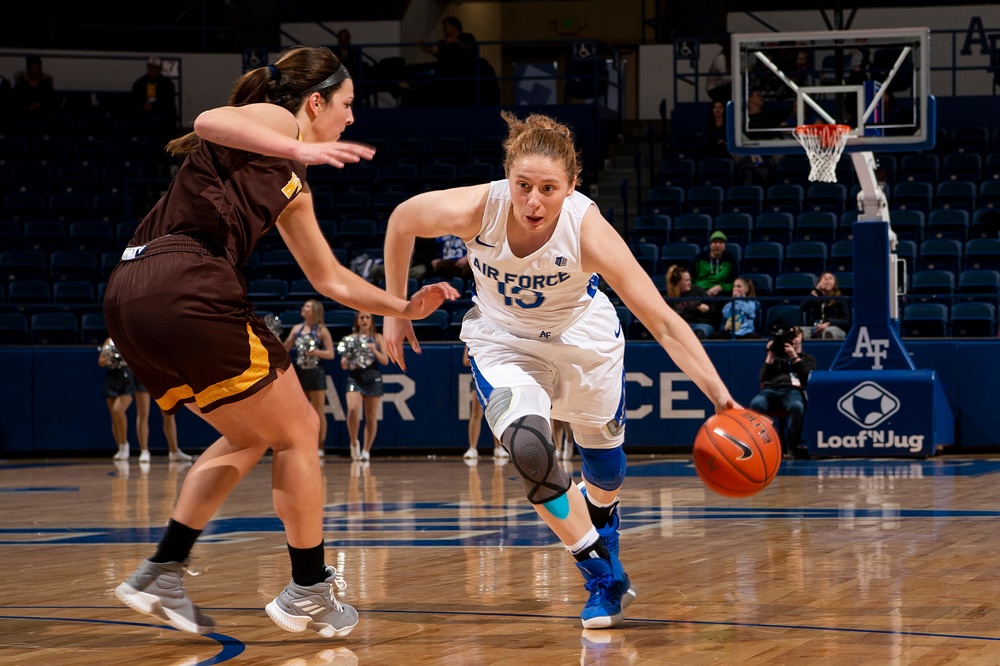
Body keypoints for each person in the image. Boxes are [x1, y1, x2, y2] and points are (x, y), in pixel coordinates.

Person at [103, 45, 458, 638]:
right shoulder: (277, 121)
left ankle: (162, 571)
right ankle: (309, 590)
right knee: (300, 430)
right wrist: (299, 145)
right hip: (187, 280)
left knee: (251, 434)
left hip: (131, 295)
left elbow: (329, 278)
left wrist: (402, 308)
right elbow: (206, 120)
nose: (351, 117)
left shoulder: (293, 181)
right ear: (315, 102)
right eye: (346, 104)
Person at [381, 111, 738, 629]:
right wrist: (394, 309)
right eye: (523, 185)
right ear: (507, 177)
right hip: (504, 342)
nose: (533, 201)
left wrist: (721, 397)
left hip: (582, 339)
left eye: (548, 188)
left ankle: (605, 524)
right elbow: (401, 220)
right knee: (529, 447)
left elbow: (662, 321)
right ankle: (600, 574)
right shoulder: (478, 209)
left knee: (607, 473)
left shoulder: (587, 230)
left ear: (572, 186)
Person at [749, 325, 816, 458]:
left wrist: (794, 356)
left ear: (802, 338)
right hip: (771, 390)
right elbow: (762, 378)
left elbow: (807, 378)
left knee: (797, 406)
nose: (794, 340)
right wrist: (770, 355)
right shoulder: (776, 356)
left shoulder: (807, 358)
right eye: (791, 337)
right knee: (756, 404)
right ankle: (763, 445)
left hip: (793, 391)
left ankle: (792, 447)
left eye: (796, 336)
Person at [283, 299, 336, 457]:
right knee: (300, 412)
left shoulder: (322, 330)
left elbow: (331, 354)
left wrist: (316, 352)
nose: (303, 308)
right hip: (300, 372)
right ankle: (302, 444)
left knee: (318, 411)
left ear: (314, 311)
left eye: (307, 306)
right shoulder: (296, 329)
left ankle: (320, 446)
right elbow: (286, 349)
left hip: (316, 372)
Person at [338, 311, 388, 462]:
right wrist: (345, 361)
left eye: (367, 317)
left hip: (373, 376)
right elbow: (343, 364)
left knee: (371, 416)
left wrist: (374, 350)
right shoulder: (350, 339)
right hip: (355, 377)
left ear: (371, 321)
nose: (365, 320)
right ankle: (354, 442)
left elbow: (385, 360)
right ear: (357, 321)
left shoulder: (377, 337)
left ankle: (366, 450)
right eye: (362, 318)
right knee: (353, 410)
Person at [417, 15, 478, 105]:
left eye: (446, 27)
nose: (443, 30)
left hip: (463, 73)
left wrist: (455, 41)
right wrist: (422, 46)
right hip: (444, 73)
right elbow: (433, 49)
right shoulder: (443, 42)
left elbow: (469, 47)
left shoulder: (466, 37)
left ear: (453, 27)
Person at [98, 338, 140, 462]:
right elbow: (100, 362)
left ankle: (124, 444)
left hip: (127, 378)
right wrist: (110, 359)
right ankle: (120, 447)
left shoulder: (128, 338)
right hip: (112, 379)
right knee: (114, 415)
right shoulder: (108, 341)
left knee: (118, 410)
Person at [462, 344, 506, 461]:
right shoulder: (472, 340)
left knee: (497, 414)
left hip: (495, 380)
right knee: (476, 413)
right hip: (479, 379)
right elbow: (465, 361)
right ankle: (472, 448)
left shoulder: (496, 340)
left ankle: (499, 448)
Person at [134, 378, 194, 463]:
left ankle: (174, 451)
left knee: (169, 413)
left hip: (161, 377)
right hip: (143, 376)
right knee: (143, 414)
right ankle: (144, 450)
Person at [665, 264, 715, 339]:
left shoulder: (697, 290)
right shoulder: (669, 298)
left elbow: (713, 308)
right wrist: (694, 308)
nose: (689, 282)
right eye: (686, 280)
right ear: (678, 282)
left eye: (689, 280)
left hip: (700, 324)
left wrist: (708, 309)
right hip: (681, 326)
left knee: (699, 334)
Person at [130, 56, 178, 134]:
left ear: (159, 69)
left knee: (169, 115)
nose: (153, 71)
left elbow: (167, 101)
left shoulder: (167, 84)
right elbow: (135, 99)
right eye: (151, 68)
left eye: (155, 69)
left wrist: (153, 106)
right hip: (142, 111)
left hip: (160, 111)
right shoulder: (139, 83)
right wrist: (143, 106)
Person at [800, 272, 851, 339]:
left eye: (830, 278)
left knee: (828, 332)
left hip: (834, 327)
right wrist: (815, 290)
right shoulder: (815, 296)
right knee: (799, 331)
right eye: (824, 278)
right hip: (815, 327)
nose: (827, 280)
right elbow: (803, 307)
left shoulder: (840, 298)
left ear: (834, 284)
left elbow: (846, 322)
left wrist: (828, 323)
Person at [688, 230, 738, 298]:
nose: (718, 245)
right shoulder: (698, 259)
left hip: (721, 294)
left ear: (725, 245)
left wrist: (721, 287)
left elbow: (734, 283)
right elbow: (690, 279)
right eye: (715, 242)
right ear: (710, 244)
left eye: (721, 243)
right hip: (699, 293)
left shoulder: (731, 261)